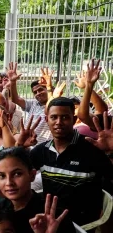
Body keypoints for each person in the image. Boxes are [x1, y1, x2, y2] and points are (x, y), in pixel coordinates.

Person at [29, 97, 113, 226]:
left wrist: (110, 152)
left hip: (81, 224)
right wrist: (19, 145)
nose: (59, 122)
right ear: (47, 120)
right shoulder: (40, 152)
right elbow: (16, 173)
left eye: (65, 117)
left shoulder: (91, 149)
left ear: (74, 120)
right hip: (49, 221)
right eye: (54, 117)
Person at [0, 148, 73, 233]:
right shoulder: (1, 209)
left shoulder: (50, 214)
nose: (9, 183)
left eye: (17, 174)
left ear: (32, 175)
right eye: (1, 176)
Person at [7, 62, 52, 144]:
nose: (38, 93)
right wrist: (12, 82)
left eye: (41, 89)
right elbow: (15, 99)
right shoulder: (33, 104)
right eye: (35, 92)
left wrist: (49, 86)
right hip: (26, 144)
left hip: (44, 146)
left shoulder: (55, 105)